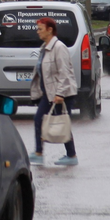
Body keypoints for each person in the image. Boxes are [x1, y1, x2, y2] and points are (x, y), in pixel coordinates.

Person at [28, 16, 78, 166]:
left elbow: (65, 72)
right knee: (40, 120)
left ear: (50, 30)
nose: (38, 32)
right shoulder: (45, 47)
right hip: (48, 93)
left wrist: (60, 94)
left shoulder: (59, 47)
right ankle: (39, 152)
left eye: (40, 29)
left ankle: (71, 155)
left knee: (62, 122)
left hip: (61, 94)